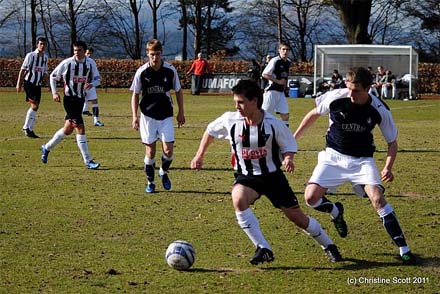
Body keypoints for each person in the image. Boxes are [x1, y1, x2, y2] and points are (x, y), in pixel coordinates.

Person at [191, 79, 342, 265]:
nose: (237, 107)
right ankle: (263, 248)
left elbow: (289, 145)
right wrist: (199, 155)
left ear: (254, 101)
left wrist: (288, 158)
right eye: (235, 102)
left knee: (298, 218)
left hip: (272, 177)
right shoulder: (230, 120)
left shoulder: (273, 124)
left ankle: (329, 245)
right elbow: (210, 131)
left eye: (241, 102)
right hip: (247, 177)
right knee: (238, 198)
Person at [293, 67, 417, 265]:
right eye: (348, 87)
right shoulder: (335, 97)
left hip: (362, 161)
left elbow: (392, 142)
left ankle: (404, 249)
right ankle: (336, 212)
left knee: (377, 198)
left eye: (356, 90)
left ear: (369, 88)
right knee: (310, 198)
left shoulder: (379, 109)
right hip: (332, 157)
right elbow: (314, 113)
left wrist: (388, 167)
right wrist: (293, 140)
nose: (350, 93)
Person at [131, 39, 185, 193]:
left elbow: (179, 91)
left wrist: (181, 112)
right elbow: (135, 94)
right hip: (147, 116)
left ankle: (163, 171)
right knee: (151, 152)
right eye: (152, 54)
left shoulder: (169, 70)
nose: (155, 57)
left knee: (168, 151)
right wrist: (135, 116)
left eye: (158, 54)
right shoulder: (142, 72)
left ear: (162, 54)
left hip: (166, 115)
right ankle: (150, 182)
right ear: (147, 54)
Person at [41, 40, 100, 170]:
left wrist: (92, 84)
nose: (76, 53)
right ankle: (88, 160)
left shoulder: (90, 63)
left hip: (80, 100)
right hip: (69, 100)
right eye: (74, 50)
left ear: (84, 51)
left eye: (79, 50)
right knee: (80, 127)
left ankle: (46, 147)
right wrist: (54, 93)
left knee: (67, 130)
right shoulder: (67, 63)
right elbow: (53, 76)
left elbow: (97, 79)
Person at [16, 36, 49, 138]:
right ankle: (27, 128)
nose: (42, 46)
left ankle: (29, 129)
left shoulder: (45, 58)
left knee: (36, 107)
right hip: (29, 83)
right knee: (34, 105)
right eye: (41, 44)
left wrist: (49, 85)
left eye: (44, 44)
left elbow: (44, 73)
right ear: (37, 45)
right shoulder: (30, 56)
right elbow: (23, 70)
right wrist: (19, 84)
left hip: (37, 85)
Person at [261, 43, 291, 126]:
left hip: (280, 92)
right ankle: (260, 133)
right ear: (279, 50)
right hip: (271, 91)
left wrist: (286, 86)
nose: (285, 51)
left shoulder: (288, 62)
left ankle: (283, 134)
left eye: (287, 50)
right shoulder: (275, 60)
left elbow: (285, 76)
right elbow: (265, 74)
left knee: (285, 115)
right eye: (283, 49)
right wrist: (278, 81)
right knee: (265, 115)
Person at [81, 47, 104, 126]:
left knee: (95, 101)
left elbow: (96, 75)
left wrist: (92, 84)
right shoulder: (77, 61)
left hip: (90, 85)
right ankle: (71, 117)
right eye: (87, 53)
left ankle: (96, 120)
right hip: (80, 86)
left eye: (90, 53)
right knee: (78, 101)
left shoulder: (92, 62)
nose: (89, 55)